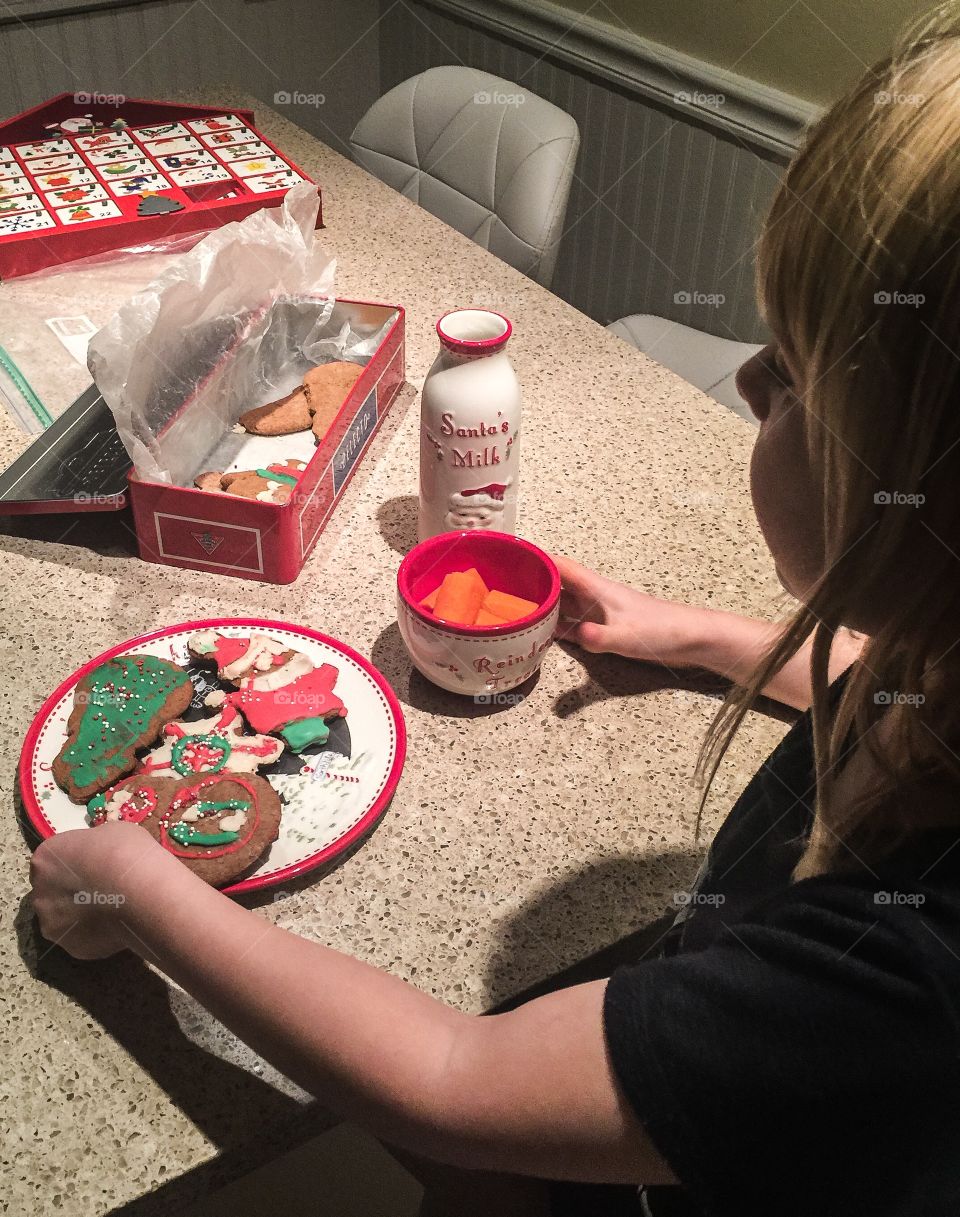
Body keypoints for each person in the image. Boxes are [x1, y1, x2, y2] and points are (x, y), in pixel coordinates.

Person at [29, 8, 960, 1214]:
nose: (743, 377)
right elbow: (895, 671)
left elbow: (451, 1082)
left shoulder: (896, 972)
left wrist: (138, 886)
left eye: (789, 371)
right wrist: (705, 637)